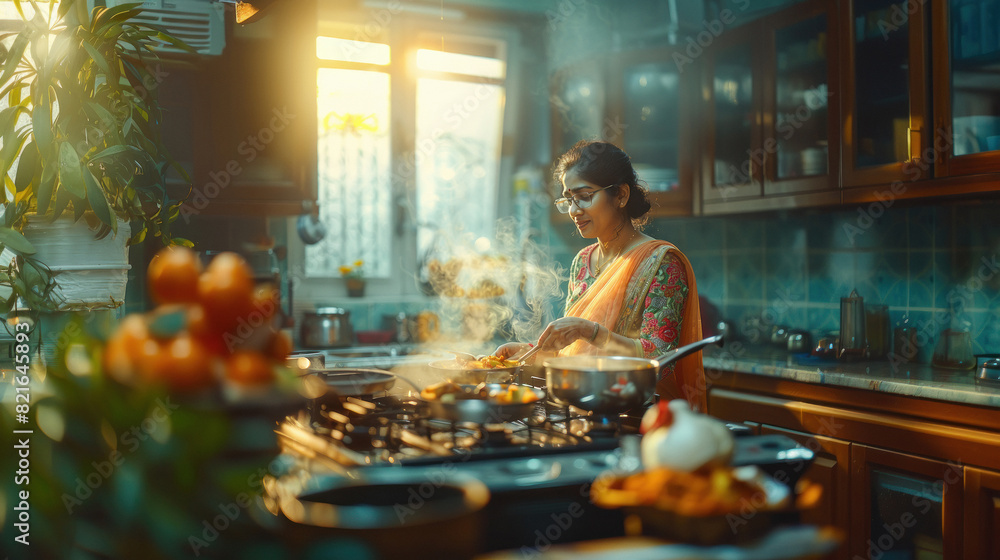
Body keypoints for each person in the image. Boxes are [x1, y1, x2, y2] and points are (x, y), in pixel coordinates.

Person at [495, 140, 706, 410]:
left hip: (643, 415)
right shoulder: (582, 262)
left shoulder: (662, 263)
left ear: (620, 195)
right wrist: (529, 352)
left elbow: (660, 361)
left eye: (584, 196)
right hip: (585, 408)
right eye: (569, 199)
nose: (573, 210)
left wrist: (589, 330)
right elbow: (576, 353)